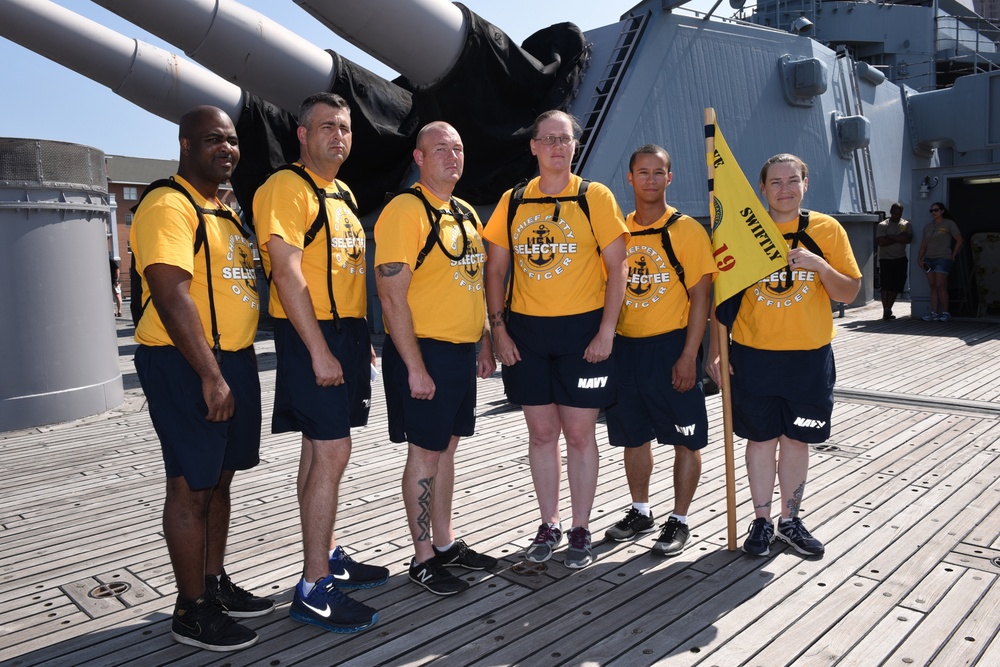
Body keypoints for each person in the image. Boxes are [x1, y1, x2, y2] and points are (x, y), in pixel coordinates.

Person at [131, 105, 273, 652]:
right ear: (185, 145)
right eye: (213, 139)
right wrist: (211, 376)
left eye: (233, 140)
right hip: (186, 362)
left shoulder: (224, 209)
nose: (227, 149)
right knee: (190, 486)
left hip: (231, 358)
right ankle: (190, 611)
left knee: (220, 478)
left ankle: (213, 585)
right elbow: (171, 296)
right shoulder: (169, 204)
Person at [253, 92, 385, 633]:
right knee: (334, 450)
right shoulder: (286, 187)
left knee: (318, 448)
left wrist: (358, 339)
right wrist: (320, 348)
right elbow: (287, 273)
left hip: (346, 333)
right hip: (314, 334)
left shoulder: (343, 192)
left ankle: (325, 554)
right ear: (302, 136)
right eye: (327, 127)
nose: (339, 136)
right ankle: (313, 588)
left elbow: (345, 269)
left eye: (346, 128)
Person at [484, 110, 628, 569]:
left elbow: (618, 268)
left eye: (564, 139)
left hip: (583, 333)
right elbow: (496, 269)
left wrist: (607, 330)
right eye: (548, 139)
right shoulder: (513, 200)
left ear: (574, 145)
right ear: (533, 147)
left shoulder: (595, 197)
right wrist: (498, 328)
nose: (557, 147)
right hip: (526, 333)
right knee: (542, 434)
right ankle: (549, 523)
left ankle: (581, 528)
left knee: (581, 435)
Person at [707, 153, 861, 558]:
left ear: (805, 184)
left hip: (808, 359)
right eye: (775, 182)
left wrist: (819, 266)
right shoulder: (743, 232)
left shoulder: (826, 229)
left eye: (793, 180)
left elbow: (849, 292)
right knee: (760, 440)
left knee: (796, 441)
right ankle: (760, 521)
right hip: (754, 356)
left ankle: (789, 520)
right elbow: (723, 298)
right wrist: (716, 352)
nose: (784, 189)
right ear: (762, 189)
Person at [374, 121, 498, 596]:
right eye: (440, 148)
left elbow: (471, 281)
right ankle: (422, 557)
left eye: (459, 147)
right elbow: (390, 296)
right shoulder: (406, 210)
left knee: (447, 448)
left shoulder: (465, 211)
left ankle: (445, 543)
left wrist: (483, 339)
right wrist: (415, 367)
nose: (452, 155)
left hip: (458, 352)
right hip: (422, 350)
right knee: (425, 453)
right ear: (419, 158)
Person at [603, 145, 715, 557]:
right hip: (625, 349)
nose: (650, 179)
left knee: (686, 439)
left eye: (658, 172)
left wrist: (690, 355)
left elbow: (701, 298)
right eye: (642, 172)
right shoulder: (618, 231)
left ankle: (680, 519)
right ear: (629, 179)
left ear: (670, 178)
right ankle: (641, 511)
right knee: (635, 436)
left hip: (671, 346)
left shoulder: (686, 230)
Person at [917, 202, 963, 322]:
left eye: (936, 210)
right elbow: (924, 244)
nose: (933, 213)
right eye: (931, 211)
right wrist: (919, 258)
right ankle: (934, 313)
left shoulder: (949, 224)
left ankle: (946, 313)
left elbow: (959, 239)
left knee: (940, 285)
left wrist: (953, 255)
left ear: (942, 211)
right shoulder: (928, 226)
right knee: (932, 286)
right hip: (929, 259)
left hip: (943, 258)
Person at [875, 203, 911, 320]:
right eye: (895, 213)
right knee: (885, 285)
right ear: (890, 211)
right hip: (885, 259)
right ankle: (885, 309)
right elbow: (881, 242)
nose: (897, 216)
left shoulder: (905, 224)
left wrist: (890, 236)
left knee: (897, 285)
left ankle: (888, 308)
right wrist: (897, 238)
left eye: (899, 214)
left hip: (900, 259)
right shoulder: (883, 225)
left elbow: (907, 239)